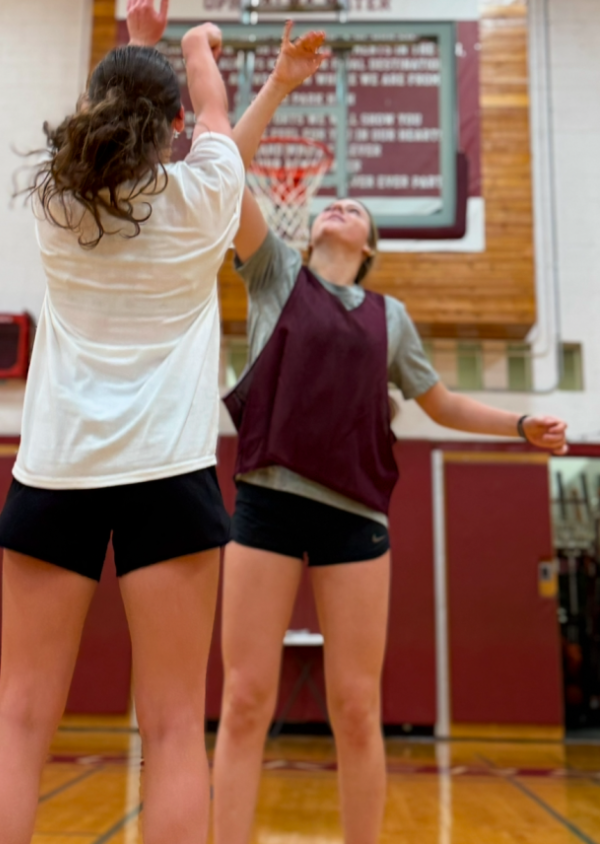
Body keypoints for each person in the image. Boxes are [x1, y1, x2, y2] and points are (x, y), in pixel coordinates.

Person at [0, 0, 326, 844]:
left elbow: (130, 113)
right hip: (168, 475)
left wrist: (140, 40)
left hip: (56, 472)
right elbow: (213, 118)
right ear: (171, 126)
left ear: (94, 108)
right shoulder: (204, 199)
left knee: (18, 719)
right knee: (170, 730)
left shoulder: (58, 201)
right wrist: (195, 48)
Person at [212, 142, 569, 844]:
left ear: (369, 244)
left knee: (355, 705)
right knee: (245, 697)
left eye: (355, 208)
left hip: (356, 515)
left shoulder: (391, 317)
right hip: (269, 502)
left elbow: (441, 405)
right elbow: (230, 183)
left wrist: (520, 423)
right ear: (308, 229)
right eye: (330, 203)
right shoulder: (275, 273)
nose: (338, 205)